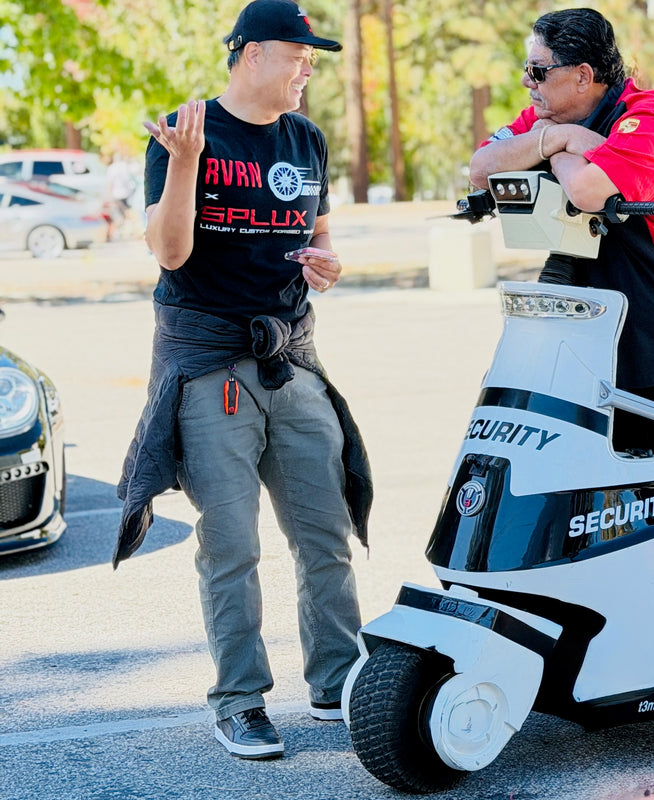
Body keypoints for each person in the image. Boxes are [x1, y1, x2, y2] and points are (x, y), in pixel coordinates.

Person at [114, 0, 372, 761]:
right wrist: (187, 163)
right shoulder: (183, 130)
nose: (308, 69)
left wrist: (328, 263)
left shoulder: (306, 138)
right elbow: (167, 253)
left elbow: (317, 234)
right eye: (299, 55)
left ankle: (337, 683)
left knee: (324, 534)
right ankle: (239, 701)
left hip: (292, 359)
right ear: (253, 53)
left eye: (314, 59)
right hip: (211, 370)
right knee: (230, 544)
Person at [470, 8, 654, 479]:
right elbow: (481, 166)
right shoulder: (550, 116)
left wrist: (548, 148)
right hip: (613, 329)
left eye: (538, 70)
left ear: (583, 76)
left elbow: (587, 191)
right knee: (627, 483)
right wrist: (560, 139)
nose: (527, 82)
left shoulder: (647, 118)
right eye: (526, 69)